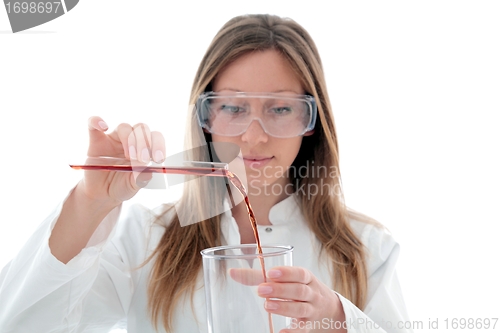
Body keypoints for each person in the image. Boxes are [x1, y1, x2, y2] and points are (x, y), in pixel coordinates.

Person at [0, 14, 412, 333]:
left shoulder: (367, 249)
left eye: (281, 109)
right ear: (205, 117)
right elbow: (21, 323)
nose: (254, 137)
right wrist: (92, 202)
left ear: (312, 120)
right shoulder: (144, 238)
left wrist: (341, 321)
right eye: (233, 108)